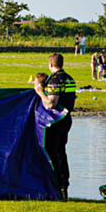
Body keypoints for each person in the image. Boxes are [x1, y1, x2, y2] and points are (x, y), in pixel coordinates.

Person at [34, 53, 77, 201]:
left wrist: (40, 92)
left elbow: (51, 103)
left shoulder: (54, 80)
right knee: (61, 152)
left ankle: (56, 185)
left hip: (55, 121)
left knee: (52, 153)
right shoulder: (70, 79)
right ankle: (64, 186)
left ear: (51, 65)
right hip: (67, 119)